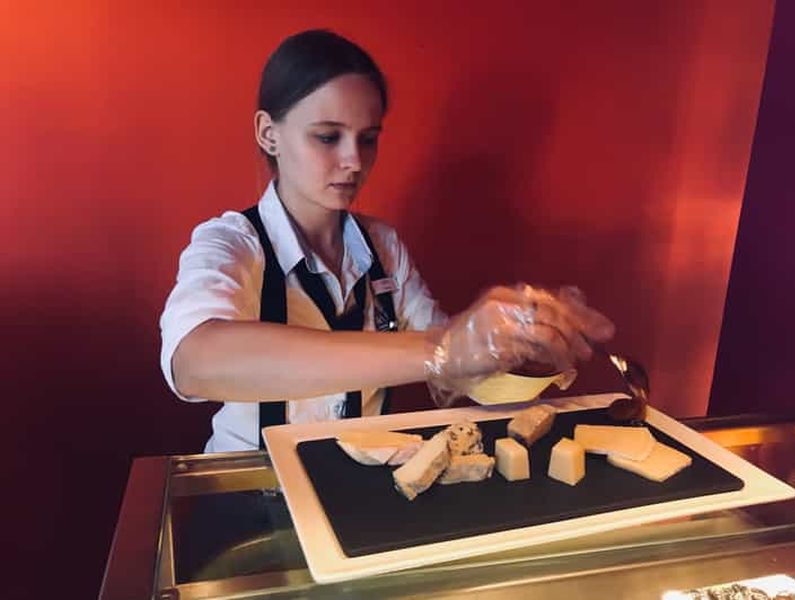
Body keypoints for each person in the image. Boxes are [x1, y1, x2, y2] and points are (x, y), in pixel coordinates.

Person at [159, 29, 615, 453]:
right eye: (327, 137)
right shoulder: (231, 242)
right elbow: (194, 362)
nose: (353, 160)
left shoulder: (382, 246)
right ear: (268, 133)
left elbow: (451, 369)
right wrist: (442, 350)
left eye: (368, 139)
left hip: (359, 487)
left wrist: (514, 337)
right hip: (251, 491)